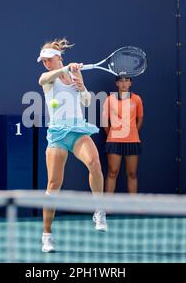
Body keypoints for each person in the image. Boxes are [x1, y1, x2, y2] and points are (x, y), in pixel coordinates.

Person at [37, 38, 107, 253]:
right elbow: (43, 79)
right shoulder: (49, 78)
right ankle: (47, 235)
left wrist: (82, 86)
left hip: (77, 130)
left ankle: (99, 209)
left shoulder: (76, 73)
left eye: (49, 60)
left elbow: (86, 102)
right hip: (57, 134)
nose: (46, 64)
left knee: (94, 163)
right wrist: (64, 69)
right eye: (44, 61)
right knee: (53, 185)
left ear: (58, 57)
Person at [102, 76, 143, 194]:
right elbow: (104, 121)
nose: (124, 83)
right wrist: (112, 134)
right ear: (117, 83)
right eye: (121, 80)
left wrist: (132, 131)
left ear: (130, 83)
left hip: (132, 140)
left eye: (127, 80)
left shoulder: (137, 99)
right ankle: (108, 206)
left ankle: (133, 206)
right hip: (114, 140)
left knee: (132, 173)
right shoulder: (109, 99)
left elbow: (140, 118)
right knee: (112, 172)